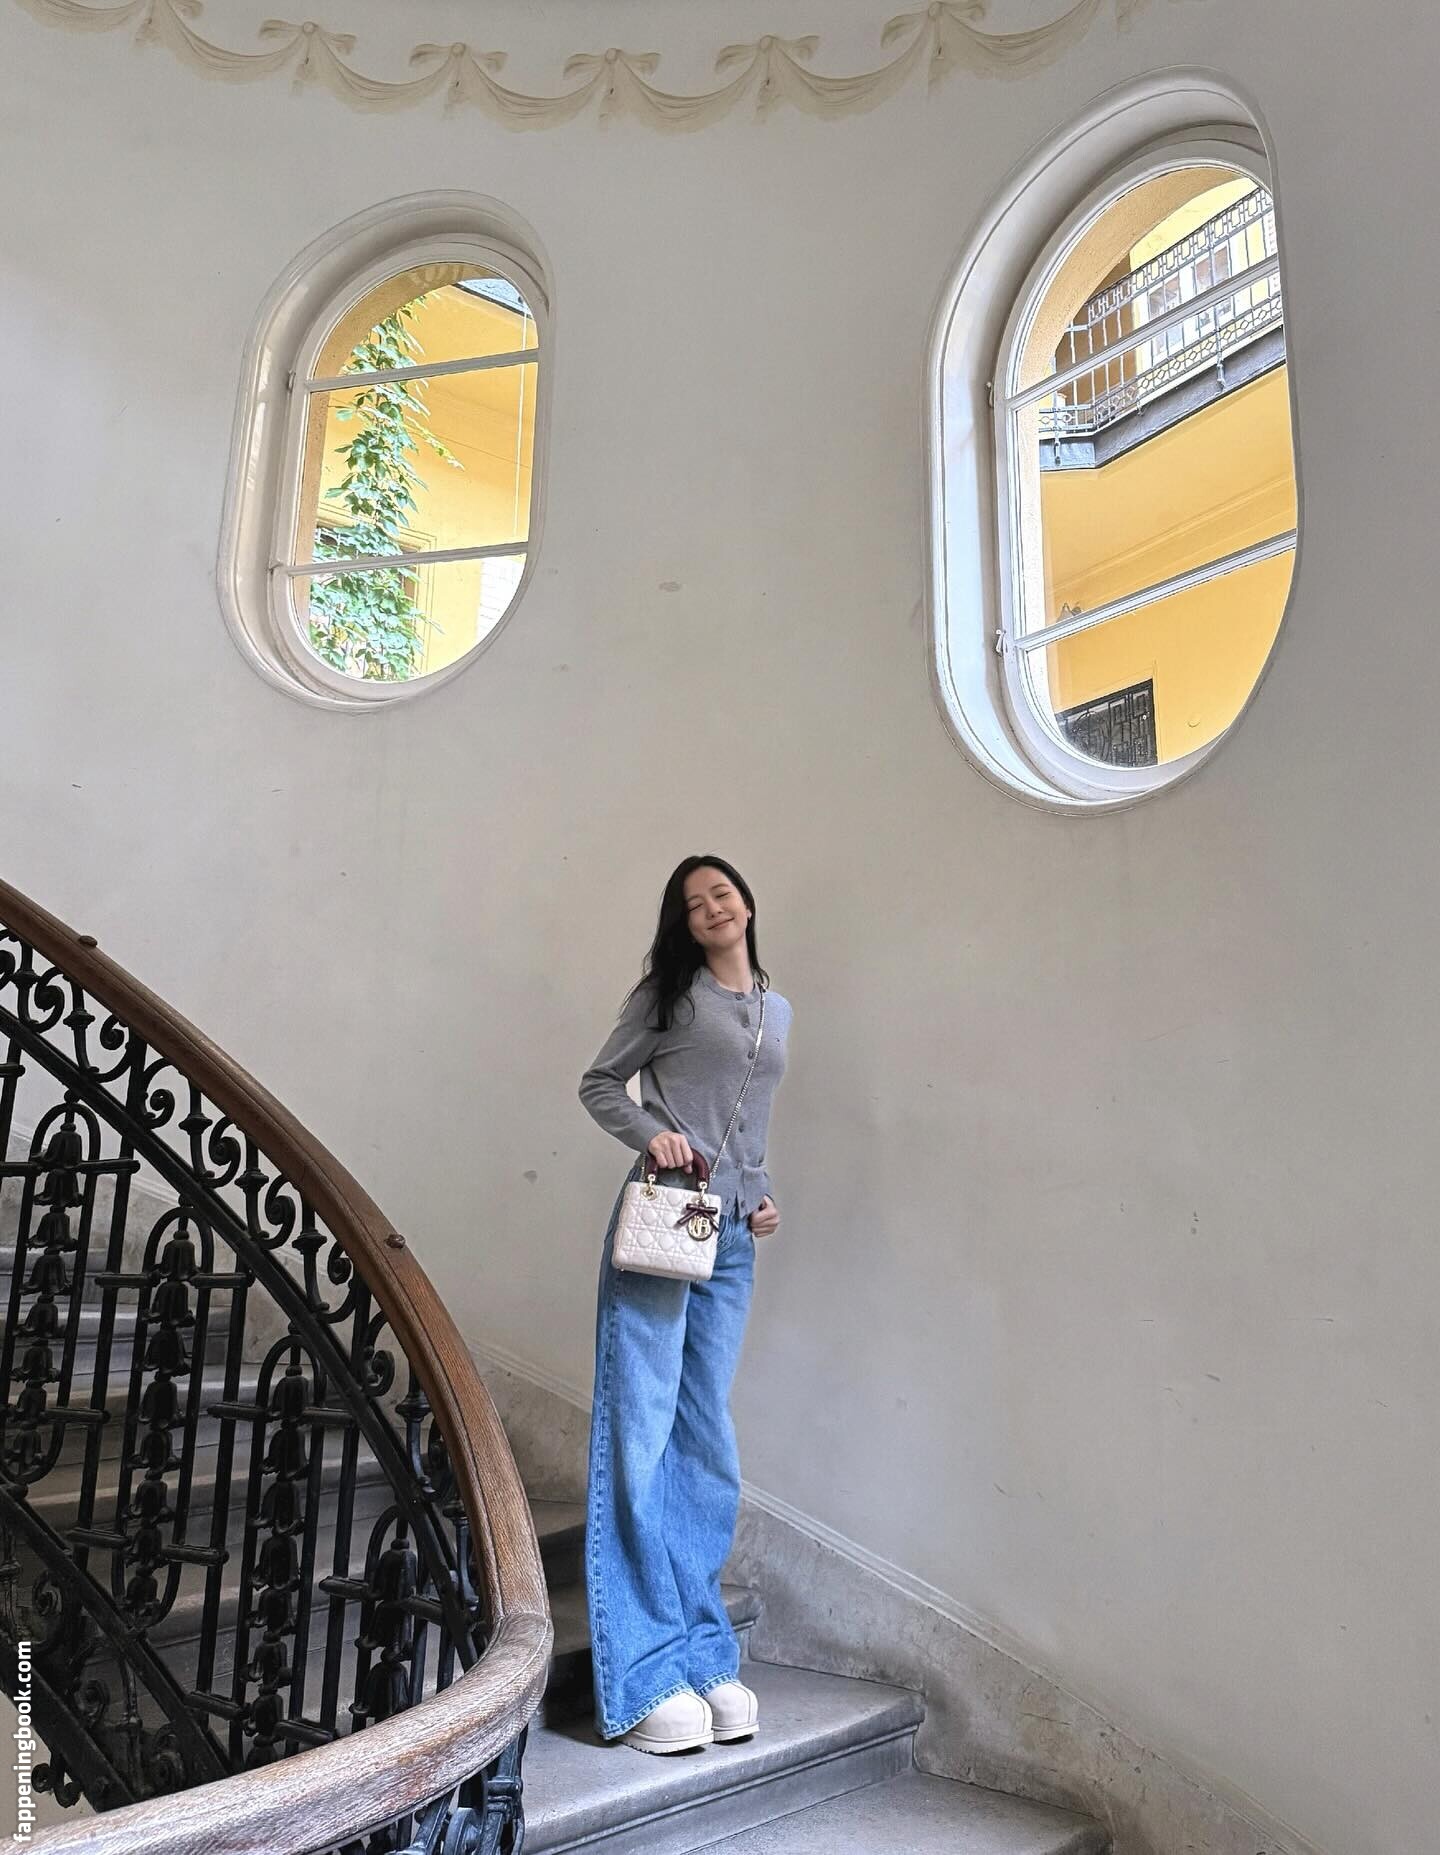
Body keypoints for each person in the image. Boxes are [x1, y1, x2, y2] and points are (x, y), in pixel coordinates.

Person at [577, 855, 791, 1754]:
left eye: (722, 892)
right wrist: (653, 1133)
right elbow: (599, 1083)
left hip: (733, 1234)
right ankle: (641, 1672)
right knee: (642, 1429)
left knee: (706, 1443)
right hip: (666, 1216)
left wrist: (761, 1192)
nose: (712, 907)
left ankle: (704, 1653)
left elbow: (748, 1123)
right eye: (694, 902)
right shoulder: (667, 997)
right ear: (683, 919)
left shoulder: (776, 1007)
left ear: (746, 901)